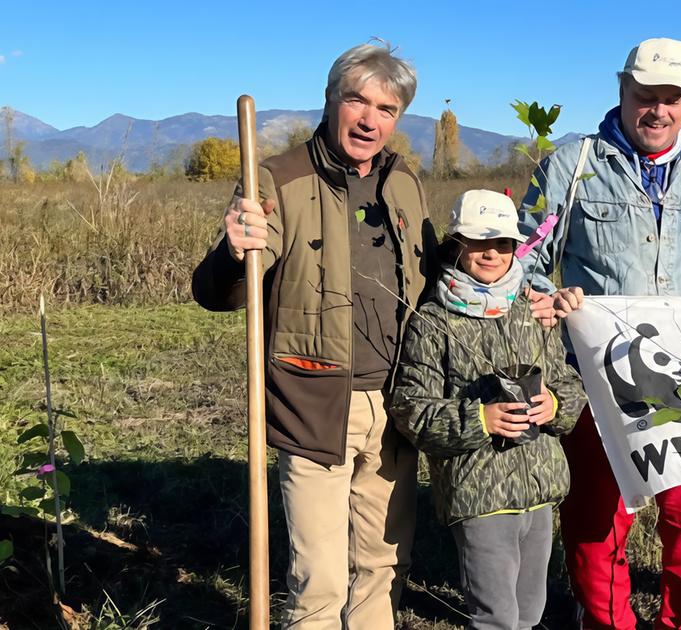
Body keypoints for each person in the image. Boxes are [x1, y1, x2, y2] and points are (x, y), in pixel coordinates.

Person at [191, 43, 437, 629]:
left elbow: (431, 275)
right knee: (319, 579)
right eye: (357, 100)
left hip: (399, 402)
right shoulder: (276, 178)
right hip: (314, 400)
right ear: (331, 101)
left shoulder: (403, 180)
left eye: (387, 108)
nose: (370, 119)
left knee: (383, 565)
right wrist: (235, 250)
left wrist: (499, 277)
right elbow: (217, 290)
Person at [518, 37, 681, 629]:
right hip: (596, 376)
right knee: (597, 520)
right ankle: (608, 624)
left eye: (671, 98)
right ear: (621, 90)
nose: (658, 110)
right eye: (644, 96)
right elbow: (522, 252)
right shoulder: (570, 168)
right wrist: (543, 296)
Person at [390, 189, 586, 630]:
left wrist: (555, 405)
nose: (492, 253)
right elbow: (410, 408)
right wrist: (480, 419)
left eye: (502, 243)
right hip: (479, 492)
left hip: (540, 489)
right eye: (478, 242)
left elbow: (570, 387)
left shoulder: (532, 310)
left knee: (531, 611)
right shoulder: (433, 322)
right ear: (456, 244)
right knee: (496, 616)